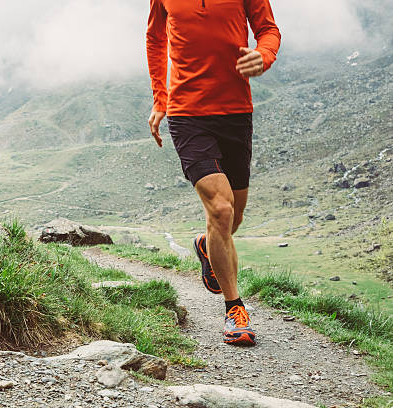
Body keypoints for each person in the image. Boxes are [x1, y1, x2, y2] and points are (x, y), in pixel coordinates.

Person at [146, 0, 281, 346]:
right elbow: (156, 40)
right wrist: (161, 100)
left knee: (231, 217)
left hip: (236, 112)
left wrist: (263, 56)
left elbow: (268, 30)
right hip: (188, 114)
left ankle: (207, 245)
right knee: (220, 210)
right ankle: (235, 310)